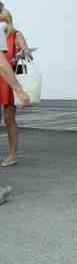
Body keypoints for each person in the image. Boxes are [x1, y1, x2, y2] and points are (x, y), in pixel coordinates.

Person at [0, 34, 31, 193]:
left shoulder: (15, 35)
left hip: (9, 77)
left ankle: (12, 155)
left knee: (9, 118)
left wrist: (22, 53)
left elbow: (28, 55)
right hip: (4, 75)